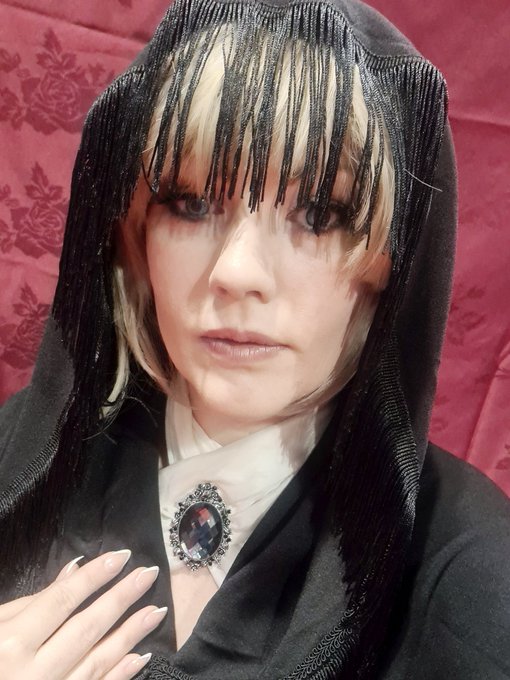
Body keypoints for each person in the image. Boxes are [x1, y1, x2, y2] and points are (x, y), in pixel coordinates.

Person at [0, 0, 509, 678]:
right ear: (135, 235)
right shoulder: (17, 463)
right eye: (190, 203)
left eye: (318, 213)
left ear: (390, 261)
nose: (236, 273)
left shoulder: (474, 583)